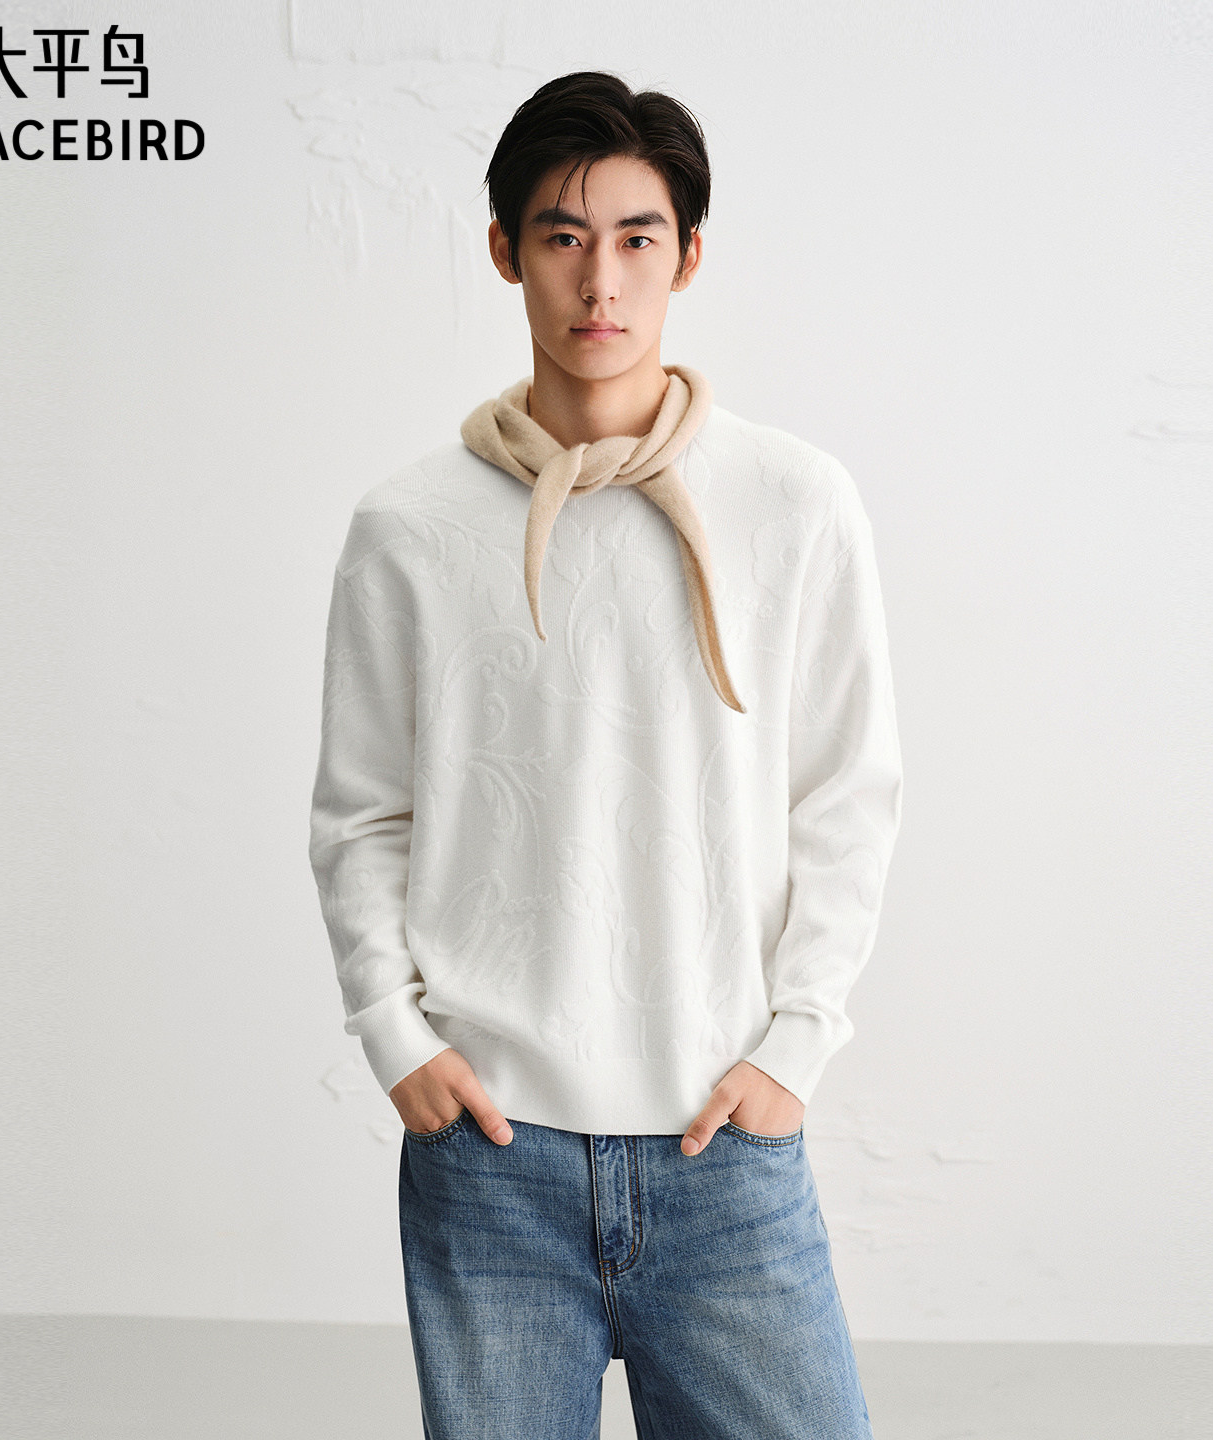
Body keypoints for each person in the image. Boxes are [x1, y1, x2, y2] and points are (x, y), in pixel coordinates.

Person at [309, 70, 903, 1440]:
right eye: (563, 236)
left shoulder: (795, 502)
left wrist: (797, 1048)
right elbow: (362, 812)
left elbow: (847, 795)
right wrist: (395, 1034)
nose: (600, 280)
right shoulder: (409, 525)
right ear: (505, 249)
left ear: (688, 256)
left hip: (724, 1145)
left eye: (638, 238)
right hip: (492, 1158)